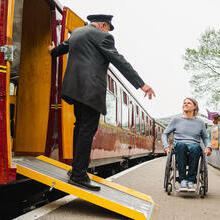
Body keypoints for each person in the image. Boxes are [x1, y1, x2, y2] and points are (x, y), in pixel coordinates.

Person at [48, 14, 155, 191]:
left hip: (73, 89)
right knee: (87, 130)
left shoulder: (76, 33)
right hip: (90, 91)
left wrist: (52, 50)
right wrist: (141, 84)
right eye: (108, 28)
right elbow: (119, 61)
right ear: (103, 25)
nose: (108, 31)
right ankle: (78, 175)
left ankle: (76, 168)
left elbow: (60, 49)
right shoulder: (103, 36)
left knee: (80, 127)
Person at [162, 98, 212, 192]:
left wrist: (208, 147)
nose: (185, 104)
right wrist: (166, 146)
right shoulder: (176, 120)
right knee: (181, 145)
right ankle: (182, 180)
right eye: (184, 103)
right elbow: (165, 134)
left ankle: (190, 181)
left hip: (194, 148)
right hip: (180, 149)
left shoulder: (200, 122)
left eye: (189, 103)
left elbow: (205, 137)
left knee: (196, 147)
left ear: (195, 107)